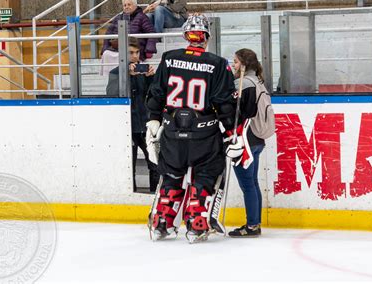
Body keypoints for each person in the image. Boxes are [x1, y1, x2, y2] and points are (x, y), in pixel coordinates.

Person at [145, 14, 236, 242]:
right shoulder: (217, 63)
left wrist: (153, 119)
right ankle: (196, 225)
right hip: (204, 134)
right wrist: (231, 132)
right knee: (205, 176)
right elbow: (224, 102)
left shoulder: (168, 59)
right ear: (206, 37)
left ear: (186, 35)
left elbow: (156, 93)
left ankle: (161, 223)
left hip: (173, 132)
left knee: (171, 175)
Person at [106, 37, 159, 192]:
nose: (135, 56)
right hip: (127, 126)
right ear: (123, 54)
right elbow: (112, 95)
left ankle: (154, 193)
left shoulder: (145, 71)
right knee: (129, 166)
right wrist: (127, 77)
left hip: (145, 125)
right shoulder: (116, 73)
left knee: (154, 163)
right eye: (131, 53)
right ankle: (133, 195)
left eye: (137, 52)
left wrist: (152, 79)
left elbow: (156, 96)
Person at [226, 49, 267, 238]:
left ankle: (251, 225)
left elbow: (238, 112)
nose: (233, 65)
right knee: (253, 183)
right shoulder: (258, 80)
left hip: (245, 140)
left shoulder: (243, 83)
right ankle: (255, 223)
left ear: (243, 64)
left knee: (247, 184)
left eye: (235, 62)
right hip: (257, 139)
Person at [101, 0, 157, 76]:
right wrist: (105, 48)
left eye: (129, 4)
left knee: (127, 54)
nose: (127, 7)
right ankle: (110, 76)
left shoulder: (142, 17)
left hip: (135, 47)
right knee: (106, 54)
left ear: (135, 6)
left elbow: (151, 32)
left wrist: (149, 49)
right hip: (118, 47)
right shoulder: (118, 18)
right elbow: (108, 33)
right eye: (125, 5)